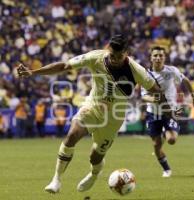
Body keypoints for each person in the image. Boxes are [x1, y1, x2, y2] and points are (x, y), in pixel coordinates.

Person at [17, 35, 164, 193]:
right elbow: (64, 66)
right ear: (108, 49)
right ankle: (56, 180)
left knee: (95, 156)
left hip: (114, 118)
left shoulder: (136, 70)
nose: (114, 59)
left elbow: (157, 91)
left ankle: (95, 174)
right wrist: (33, 72)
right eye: (112, 55)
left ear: (126, 53)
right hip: (92, 107)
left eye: (119, 56)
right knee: (72, 135)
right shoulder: (96, 57)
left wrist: (159, 104)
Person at [141, 46, 194, 177]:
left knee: (171, 139)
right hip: (153, 113)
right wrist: (155, 99)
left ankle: (165, 133)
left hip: (170, 112)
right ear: (151, 58)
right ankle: (166, 169)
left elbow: (186, 80)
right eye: (155, 55)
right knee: (156, 146)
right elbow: (143, 96)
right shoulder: (146, 76)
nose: (158, 58)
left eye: (161, 55)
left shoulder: (171, 71)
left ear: (164, 57)